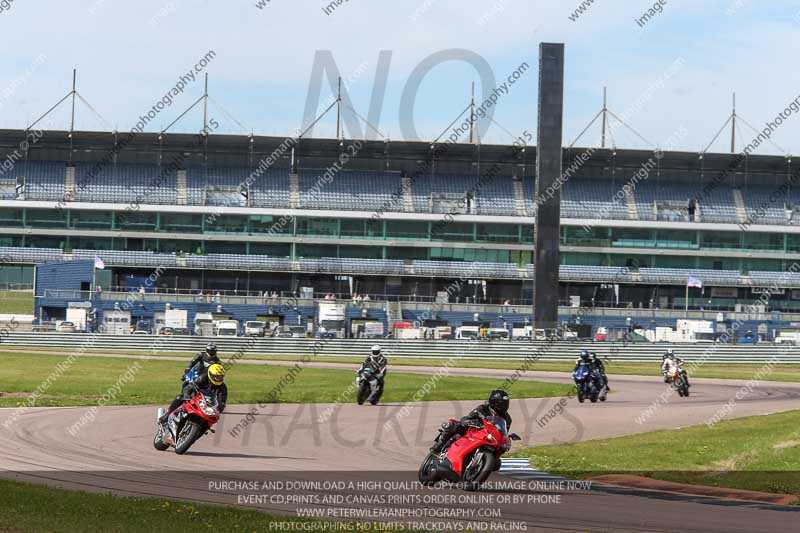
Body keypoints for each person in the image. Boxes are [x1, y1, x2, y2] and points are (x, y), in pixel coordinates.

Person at [430, 389, 512, 454]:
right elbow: (468, 417)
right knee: (454, 425)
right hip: (473, 430)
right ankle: (439, 445)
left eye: (506, 403)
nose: (504, 406)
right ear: (494, 402)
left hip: (488, 438)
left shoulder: (507, 419)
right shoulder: (483, 408)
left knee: (496, 464)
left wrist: (506, 440)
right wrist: (468, 421)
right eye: (501, 403)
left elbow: (503, 434)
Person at [160, 363, 228, 424]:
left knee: (212, 420)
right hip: (196, 398)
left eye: (221, 377)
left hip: (208, 404)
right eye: (217, 376)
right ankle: (167, 416)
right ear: (211, 375)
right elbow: (189, 387)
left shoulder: (223, 387)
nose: (219, 379)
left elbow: (222, 401)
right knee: (179, 398)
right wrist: (187, 396)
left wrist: (219, 408)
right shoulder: (203, 378)